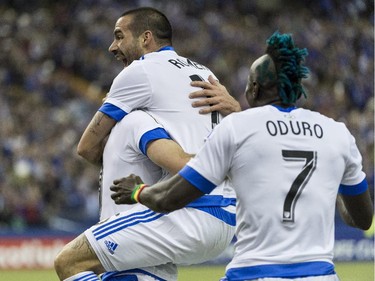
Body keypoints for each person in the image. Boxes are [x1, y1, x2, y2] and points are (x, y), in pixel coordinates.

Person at [110, 31, 374, 281]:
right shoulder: (338, 134)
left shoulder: (236, 128)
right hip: (322, 274)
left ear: (254, 89)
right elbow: (363, 220)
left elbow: (168, 198)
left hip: (253, 272)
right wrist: (332, 189)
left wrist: (137, 191)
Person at [54, 7, 240, 281]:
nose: (112, 47)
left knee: (69, 262)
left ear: (146, 38)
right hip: (225, 214)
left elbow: (87, 147)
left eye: (119, 36)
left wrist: (122, 163)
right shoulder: (204, 72)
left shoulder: (140, 73)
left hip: (191, 209)